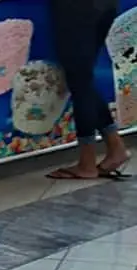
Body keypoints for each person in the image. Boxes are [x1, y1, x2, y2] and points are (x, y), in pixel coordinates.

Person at [47, 0, 129, 180]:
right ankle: (115, 148)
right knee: (82, 79)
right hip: (106, 5)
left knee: (80, 81)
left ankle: (87, 163)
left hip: (78, 9)